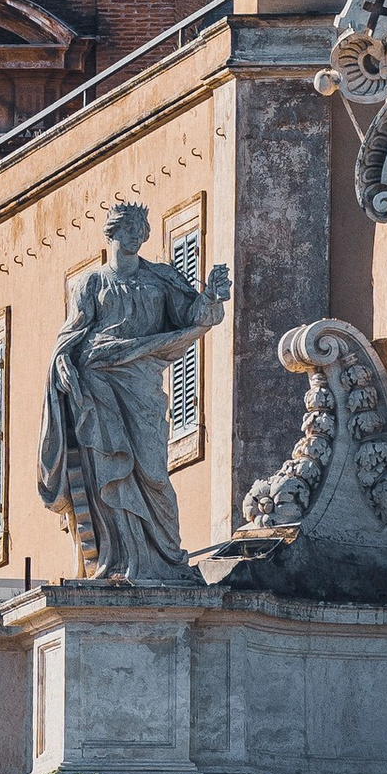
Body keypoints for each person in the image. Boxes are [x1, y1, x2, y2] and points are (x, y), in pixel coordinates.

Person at [37, 198, 231, 586]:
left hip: (142, 381)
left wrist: (210, 295)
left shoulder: (161, 278)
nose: (136, 236)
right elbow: (71, 336)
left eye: (141, 230)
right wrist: (61, 364)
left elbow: (191, 316)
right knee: (108, 468)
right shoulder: (90, 283)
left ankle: (164, 557)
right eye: (128, 228)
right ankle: (119, 559)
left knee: (152, 470)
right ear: (112, 232)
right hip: (97, 381)